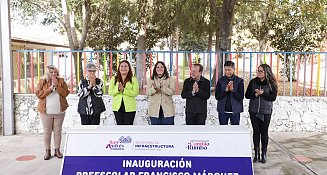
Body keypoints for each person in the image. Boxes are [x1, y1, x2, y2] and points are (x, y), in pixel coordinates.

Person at [245, 64, 278, 164]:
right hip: (254, 111)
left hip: (266, 111)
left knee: (264, 132)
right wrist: (256, 94)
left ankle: (264, 153)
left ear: (266, 72)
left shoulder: (271, 83)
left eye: (261, 71)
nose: (258, 73)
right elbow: (247, 95)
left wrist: (263, 93)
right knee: (256, 131)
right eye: (258, 71)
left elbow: (273, 97)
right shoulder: (253, 82)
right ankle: (256, 153)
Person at [36, 65, 69, 160]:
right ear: (47, 73)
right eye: (51, 72)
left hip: (59, 111)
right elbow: (39, 94)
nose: (54, 74)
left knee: (58, 132)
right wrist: (50, 88)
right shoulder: (42, 82)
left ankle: (57, 150)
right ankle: (47, 151)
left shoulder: (61, 81)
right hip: (45, 112)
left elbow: (66, 93)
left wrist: (57, 86)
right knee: (47, 132)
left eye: (55, 72)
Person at [109, 60, 139, 125]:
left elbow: (135, 92)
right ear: (119, 68)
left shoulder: (133, 79)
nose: (123, 68)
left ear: (129, 68)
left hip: (130, 108)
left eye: (125, 66)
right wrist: (118, 89)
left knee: (128, 128)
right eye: (121, 66)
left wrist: (123, 90)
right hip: (117, 108)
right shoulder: (114, 79)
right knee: (120, 128)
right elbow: (110, 92)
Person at [215, 61, 244, 125]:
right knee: (223, 130)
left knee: (235, 131)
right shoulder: (220, 80)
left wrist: (232, 91)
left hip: (235, 111)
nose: (227, 72)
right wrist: (225, 91)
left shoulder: (239, 81)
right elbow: (217, 97)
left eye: (229, 70)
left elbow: (241, 97)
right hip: (222, 110)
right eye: (225, 70)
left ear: (234, 69)